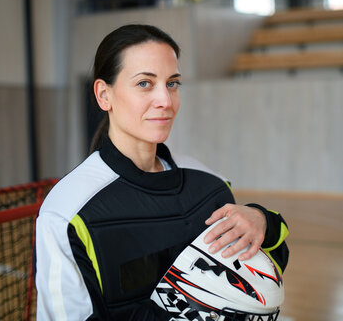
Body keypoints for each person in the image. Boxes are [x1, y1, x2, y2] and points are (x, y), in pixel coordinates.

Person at [34, 24, 289, 320]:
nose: (166, 101)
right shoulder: (66, 213)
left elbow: (254, 274)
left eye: (172, 83)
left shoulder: (210, 184)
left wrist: (262, 221)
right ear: (104, 95)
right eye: (145, 83)